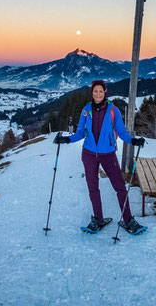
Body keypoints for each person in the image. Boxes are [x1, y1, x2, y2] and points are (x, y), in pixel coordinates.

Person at [54, 80, 146, 234]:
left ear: (105, 93)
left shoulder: (113, 110)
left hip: (108, 154)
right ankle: (98, 218)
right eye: (95, 91)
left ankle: (128, 219)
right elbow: (80, 133)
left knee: (120, 187)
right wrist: (66, 139)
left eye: (100, 91)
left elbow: (121, 132)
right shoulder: (86, 110)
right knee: (92, 188)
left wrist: (133, 140)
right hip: (89, 154)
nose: (98, 94)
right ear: (92, 93)